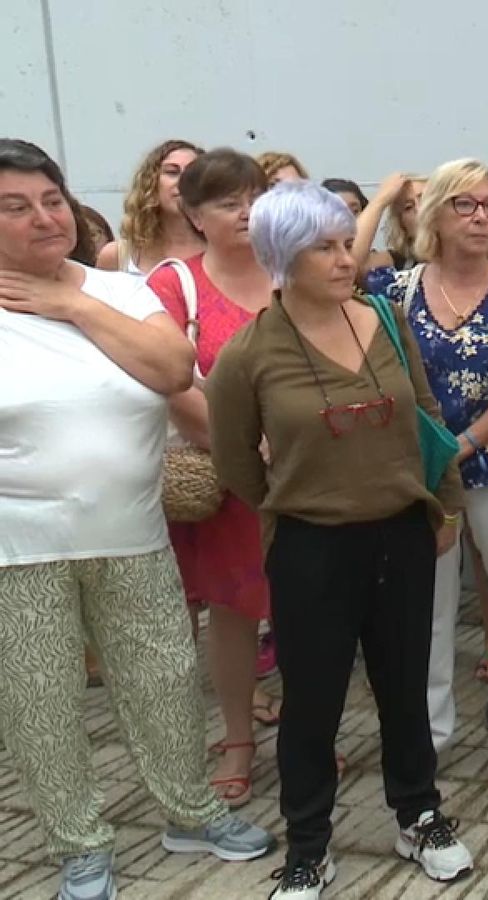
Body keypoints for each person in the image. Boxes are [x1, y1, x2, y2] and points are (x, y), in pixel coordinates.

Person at [0, 137, 274, 900]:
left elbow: (171, 368)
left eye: (51, 200)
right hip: (18, 548)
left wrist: (71, 303)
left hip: (134, 532)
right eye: (15, 207)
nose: (44, 218)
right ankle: (80, 845)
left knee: (163, 680)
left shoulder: (118, 289)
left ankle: (191, 812)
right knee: (42, 703)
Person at [206, 182, 473, 898]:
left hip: (401, 533)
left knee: (404, 686)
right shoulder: (248, 354)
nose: (343, 258)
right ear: (281, 258)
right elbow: (234, 459)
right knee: (312, 701)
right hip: (311, 547)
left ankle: (418, 814)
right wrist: (293, 506)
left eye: (343, 243)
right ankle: (309, 845)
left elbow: (428, 416)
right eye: (322, 248)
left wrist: (445, 507)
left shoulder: (385, 319)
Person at [365, 159, 488, 798]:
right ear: (435, 213)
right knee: (427, 613)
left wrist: (460, 445)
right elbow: (337, 280)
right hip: (422, 478)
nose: (480, 217)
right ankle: (430, 735)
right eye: (464, 205)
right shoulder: (397, 288)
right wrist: (381, 200)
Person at [145, 149, 282, 808]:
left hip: (308, 473)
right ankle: (237, 739)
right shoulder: (176, 285)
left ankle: (307, 730)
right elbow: (168, 385)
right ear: (195, 215)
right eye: (229, 203)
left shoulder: (292, 272)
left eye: (255, 198)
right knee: (233, 615)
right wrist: (246, 452)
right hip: (229, 481)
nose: (246, 213)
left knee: (309, 609)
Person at [96, 139, 204, 274]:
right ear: (151, 183)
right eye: (172, 172)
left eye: (193, 174)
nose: (183, 181)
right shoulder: (117, 256)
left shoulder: (222, 250)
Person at [353, 173, 423, 272]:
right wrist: (380, 201)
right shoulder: (400, 263)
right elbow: (352, 264)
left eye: (425, 199)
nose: (420, 209)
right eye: (408, 207)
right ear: (402, 226)